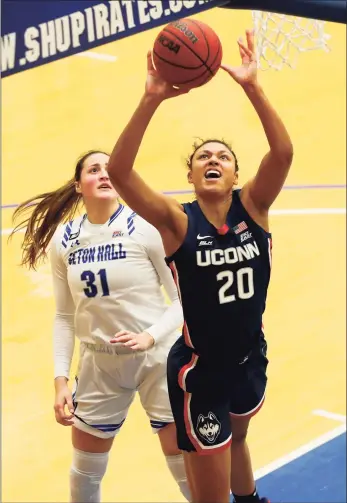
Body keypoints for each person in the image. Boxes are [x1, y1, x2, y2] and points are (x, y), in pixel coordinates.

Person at [106, 29, 294, 503]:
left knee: (240, 440)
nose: (213, 159)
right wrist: (151, 98)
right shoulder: (176, 222)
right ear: (190, 176)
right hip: (201, 373)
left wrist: (253, 86)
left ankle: (251, 499)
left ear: (235, 175)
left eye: (223, 157)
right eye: (203, 157)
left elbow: (283, 153)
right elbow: (121, 173)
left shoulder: (254, 207)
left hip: (250, 357)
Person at [11, 150, 191, 503]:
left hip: (158, 358)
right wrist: (60, 380)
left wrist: (149, 335)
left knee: (184, 467)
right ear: (79, 185)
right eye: (95, 170)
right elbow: (64, 315)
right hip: (99, 364)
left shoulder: (146, 228)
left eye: (110, 169)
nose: (105, 175)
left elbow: (183, 303)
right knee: (84, 474)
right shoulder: (64, 240)